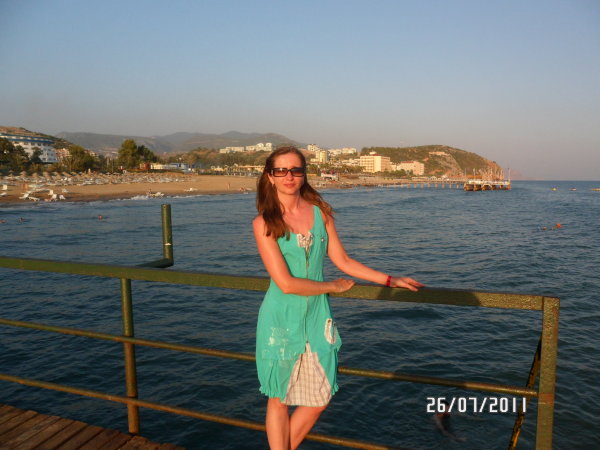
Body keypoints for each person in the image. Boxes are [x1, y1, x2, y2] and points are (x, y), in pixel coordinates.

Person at [253, 146, 423, 449]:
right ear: (270, 176)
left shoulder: (321, 213)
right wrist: (332, 286)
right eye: (281, 170)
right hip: (281, 317)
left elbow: (343, 260)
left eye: (296, 170)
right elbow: (286, 284)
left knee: (320, 396)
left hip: (317, 317)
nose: (289, 176)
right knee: (279, 398)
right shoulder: (264, 222)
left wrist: (389, 279)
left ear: (304, 174)